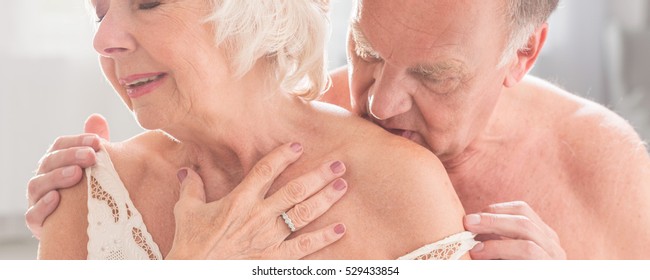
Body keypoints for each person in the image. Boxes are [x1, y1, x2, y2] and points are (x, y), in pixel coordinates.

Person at [29, 0, 650, 259]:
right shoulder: (99, 186)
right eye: (365, 52)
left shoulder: (605, 174)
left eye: (434, 77)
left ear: (523, 56)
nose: (378, 103)